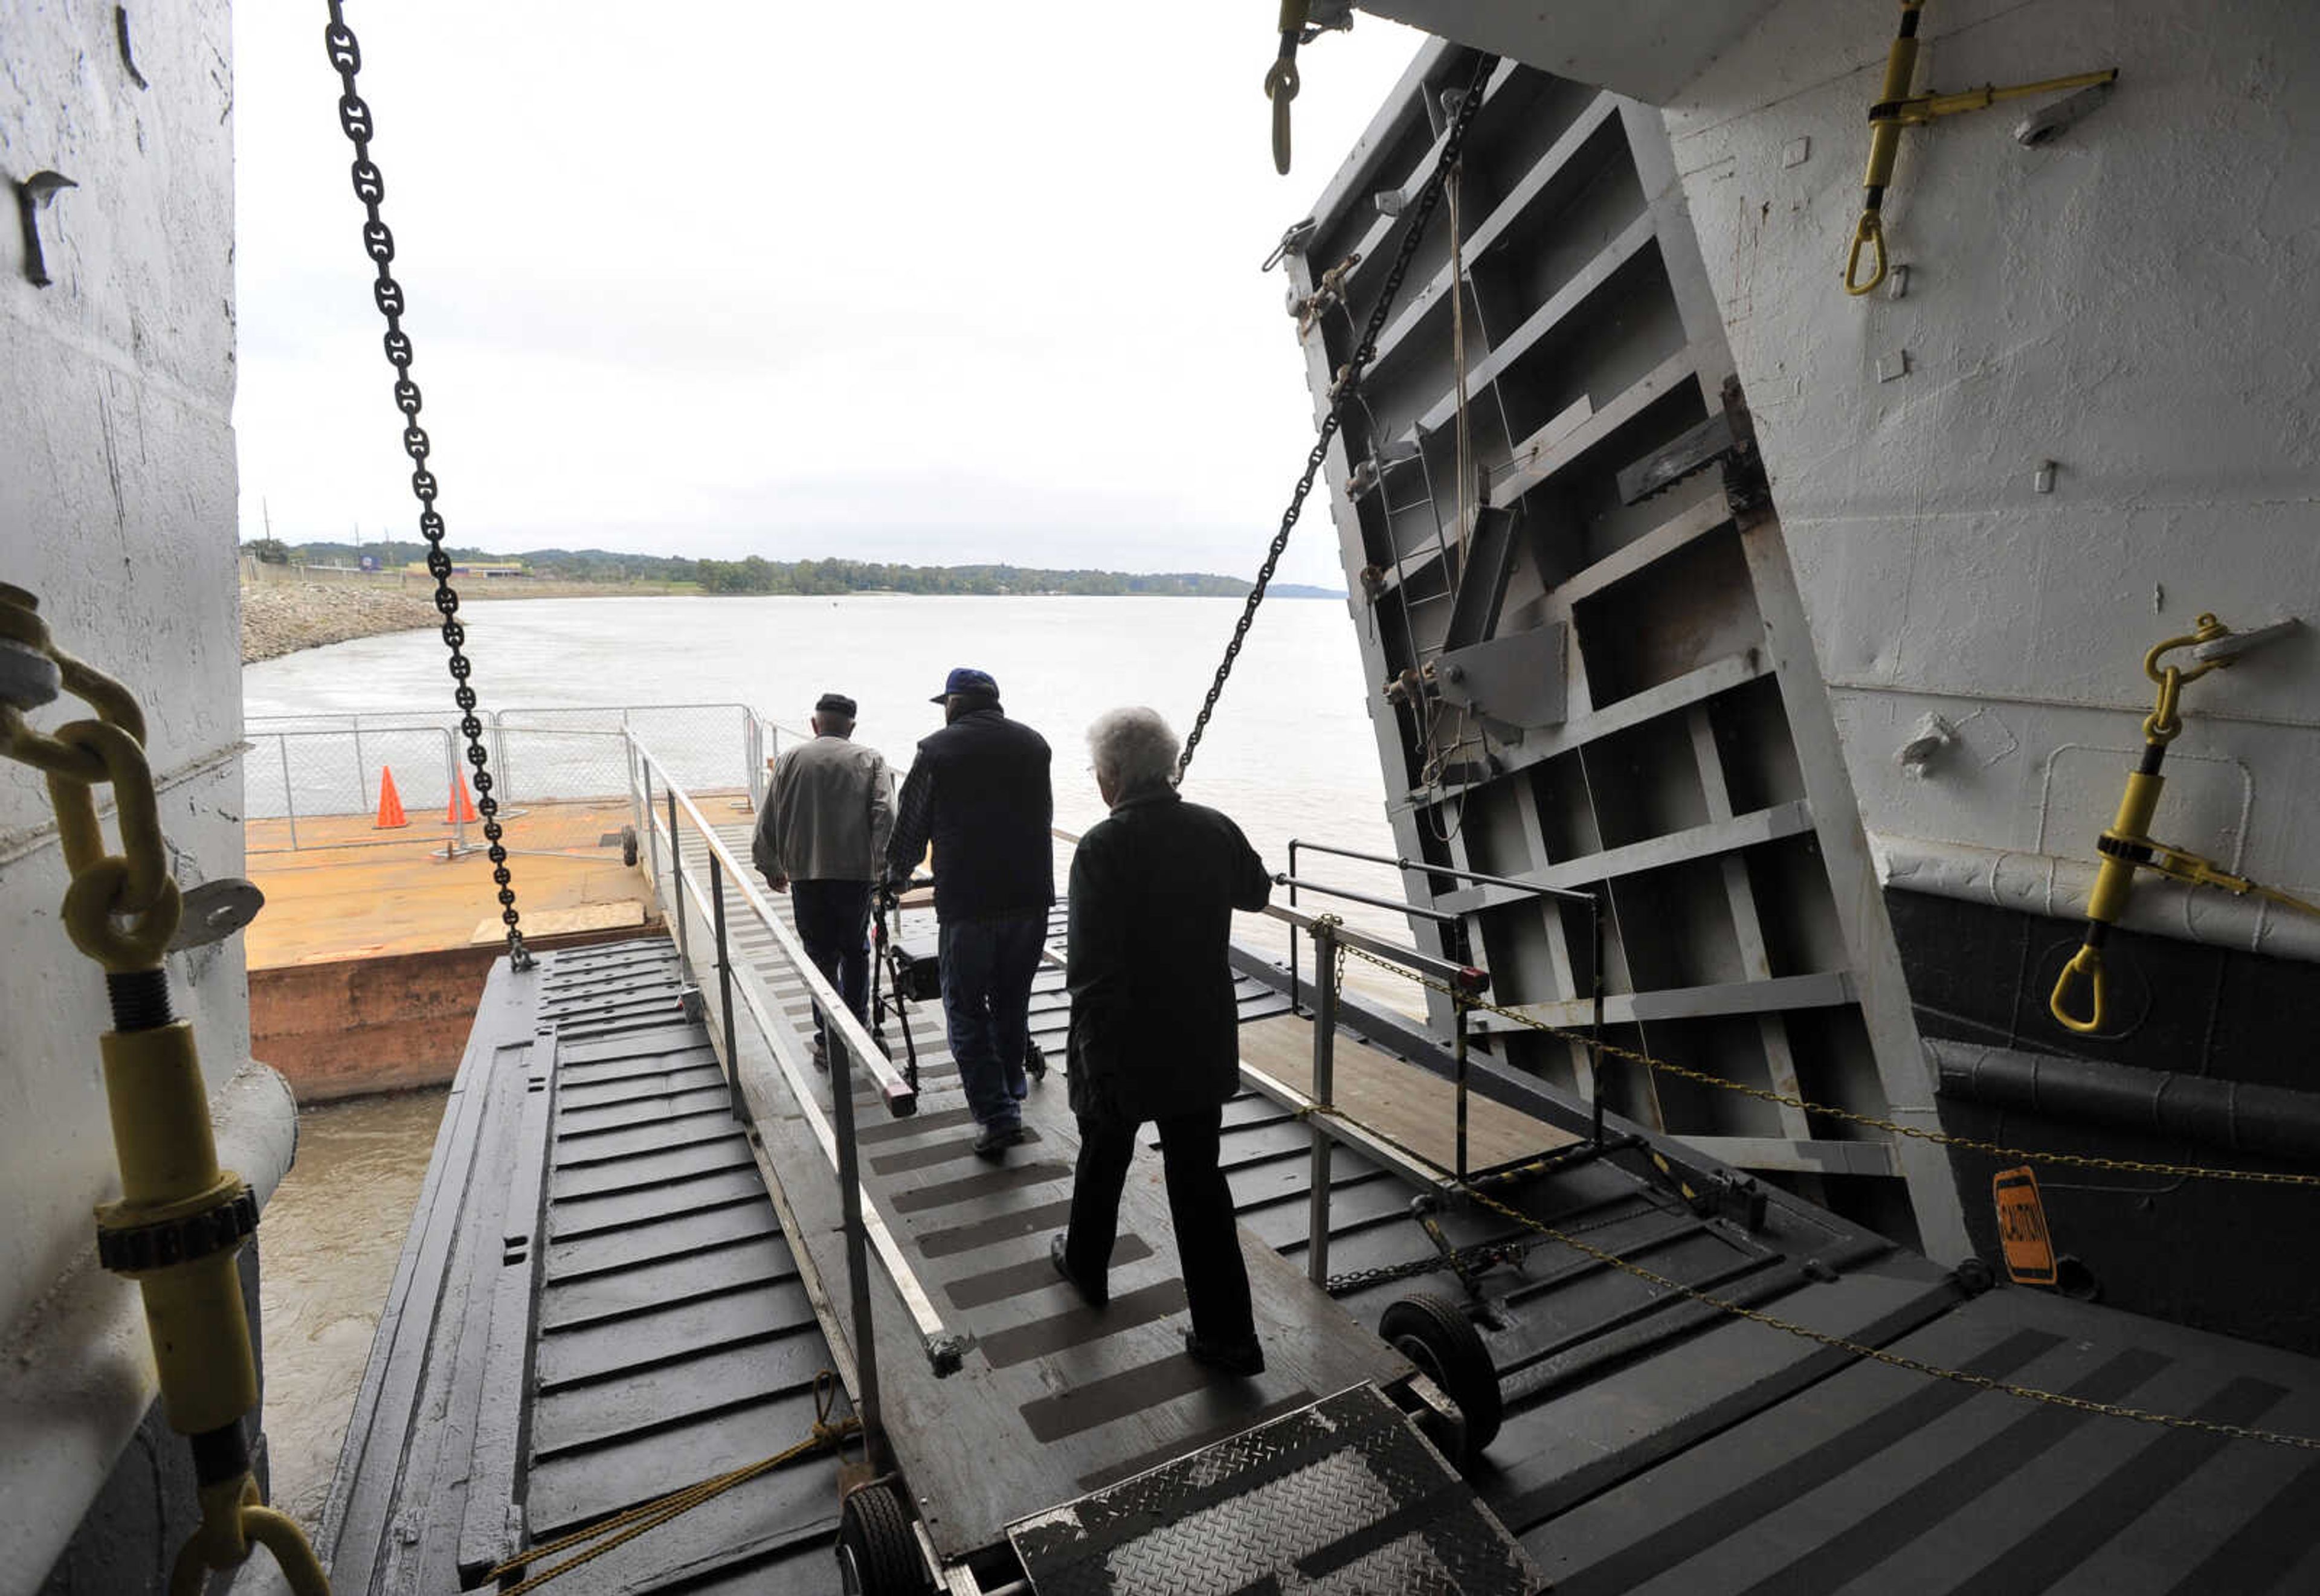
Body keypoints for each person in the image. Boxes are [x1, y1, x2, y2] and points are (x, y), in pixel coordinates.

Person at [1050, 706, 1272, 1377]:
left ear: (1113, 775)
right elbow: (1258, 892)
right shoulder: (1213, 827)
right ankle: (1229, 1336)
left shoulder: (1102, 846)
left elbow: (1090, 970)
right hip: (1199, 1039)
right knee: (1199, 1183)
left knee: (1104, 1158)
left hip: (1122, 1044)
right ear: (1168, 766)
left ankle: (1087, 1268)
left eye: (1097, 772)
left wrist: (1093, 1058)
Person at [884, 668, 1053, 1156]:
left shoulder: (937, 750)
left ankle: (998, 1114)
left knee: (963, 1007)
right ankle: (1012, 1093)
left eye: (946, 703)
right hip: (1030, 898)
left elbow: (913, 824)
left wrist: (896, 876)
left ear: (955, 703)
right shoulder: (1035, 745)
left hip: (969, 904)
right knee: (1011, 1001)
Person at [752, 692, 892, 1067]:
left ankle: (828, 1039)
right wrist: (883, 868)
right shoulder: (870, 759)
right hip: (854, 876)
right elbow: (885, 815)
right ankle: (858, 1027)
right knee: (856, 950)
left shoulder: (790, 760)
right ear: (852, 726)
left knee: (819, 956)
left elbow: (769, 816)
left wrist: (769, 865)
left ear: (814, 724)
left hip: (806, 874)